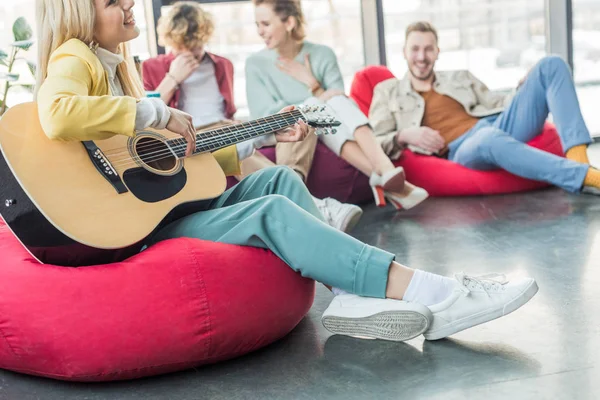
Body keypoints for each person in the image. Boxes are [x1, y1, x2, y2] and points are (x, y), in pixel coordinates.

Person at [35, 0, 538, 343]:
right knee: (272, 210)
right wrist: (156, 111)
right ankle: (439, 293)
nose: (126, 2)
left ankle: (346, 295)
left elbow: (173, 158)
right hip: (140, 228)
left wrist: (261, 137)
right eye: (109, 2)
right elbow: (55, 112)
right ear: (81, 13)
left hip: (160, 205)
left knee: (277, 179)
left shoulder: (119, 65)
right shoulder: (76, 54)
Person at [142, 1, 362, 233]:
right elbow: (152, 116)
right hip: (192, 132)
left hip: (225, 125)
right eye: (184, 46)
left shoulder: (221, 65)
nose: (193, 52)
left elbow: (228, 111)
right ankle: (317, 206)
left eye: (197, 44)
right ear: (172, 42)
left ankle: (298, 200)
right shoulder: (153, 67)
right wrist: (173, 77)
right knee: (231, 141)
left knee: (293, 118)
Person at [369, 21, 600, 195]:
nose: (422, 56)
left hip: (496, 125)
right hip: (463, 148)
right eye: (415, 49)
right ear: (404, 52)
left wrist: (525, 88)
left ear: (438, 51)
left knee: (551, 64)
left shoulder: (460, 77)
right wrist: (405, 135)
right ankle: (586, 177)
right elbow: (374, 143)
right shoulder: (387, 91)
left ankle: (579, 161)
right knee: (488, 137)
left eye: (428, 49)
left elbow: (497, 104)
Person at [245, 0, 429, 211]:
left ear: (289, 23)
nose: (259, 31)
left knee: (332, 104)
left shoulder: (322, 54)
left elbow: (338, 104)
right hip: (287, 130)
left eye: (265, 24)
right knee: (316, 106)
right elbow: (263, 114)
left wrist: (312, 84)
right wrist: (314, 94)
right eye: (257, 24)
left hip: (328, 125)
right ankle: (382, 173)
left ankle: (384, 172)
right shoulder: (255, 64)